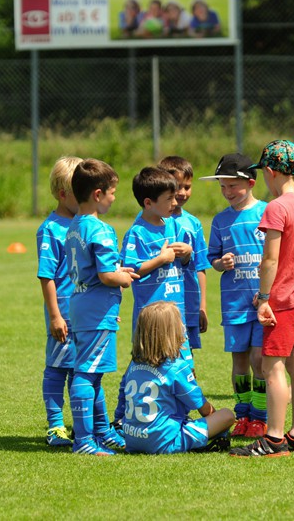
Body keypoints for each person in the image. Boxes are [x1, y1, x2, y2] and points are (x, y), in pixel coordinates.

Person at [229, 140, 294, 458]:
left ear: (269, 171)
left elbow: (269, 259)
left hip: (284, 297)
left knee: (272, 367)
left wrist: (265, 297)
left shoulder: (277, 207)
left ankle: (275, 438)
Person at [65, 158, 139, 456]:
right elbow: (107, 275)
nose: (114, 197)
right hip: (96, 311)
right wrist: (124, 276)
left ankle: (100, 432)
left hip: (83, 305)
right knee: (86, 373)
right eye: (112, 192)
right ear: (98, 194)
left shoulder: (73, 226)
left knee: (92, 372)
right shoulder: (101, 229)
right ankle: (84, 440)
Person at [113, 167, 193, 427]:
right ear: (148, 203)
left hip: (175, 312)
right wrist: (161, 259)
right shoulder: (137, 233)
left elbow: (183, 262)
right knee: (143, 365)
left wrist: (186, 252)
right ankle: (121, 417)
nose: (175, 202)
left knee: (181, 365)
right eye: (169, 198)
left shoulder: (172, 224)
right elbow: (131, 269)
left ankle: (179, 416)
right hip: (151, 316)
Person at [201, 154, 268, 439]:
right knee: (239, 361)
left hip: (263, 303)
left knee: (259, 360)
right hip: (234, 304)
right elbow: (212, 258)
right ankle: (243, 415)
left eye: (233, 186)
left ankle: (261, 416)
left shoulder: (268, 212)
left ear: (251, 183)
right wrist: (220, 264)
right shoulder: (220, 220)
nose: (228, 193)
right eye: (223, 187)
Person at [120, 301, 236, 454]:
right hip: (164, 442)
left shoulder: (134, 363)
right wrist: (217, 422)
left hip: (132, 439)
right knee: (227, 415)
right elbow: (203, 408)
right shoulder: (176, 367)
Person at [36, 155, 82, 447]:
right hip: (64, 313)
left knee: (83, 369)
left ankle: (82, 424)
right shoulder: (51, 229)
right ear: (63, 194)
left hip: (88, 312)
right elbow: (46, 275)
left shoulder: (86, 224)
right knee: (58, 367)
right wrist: (55, 315)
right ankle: (55, 425)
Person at [157, 156, 211, 370]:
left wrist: (202, 307)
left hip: (187, 303)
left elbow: (200, 266)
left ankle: (185, 399)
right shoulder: (154, 220)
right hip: (161, 302)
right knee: (159, 352)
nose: (182, 192)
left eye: (187, 187)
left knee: (186, 357)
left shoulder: (193, 223)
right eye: (177, 187)